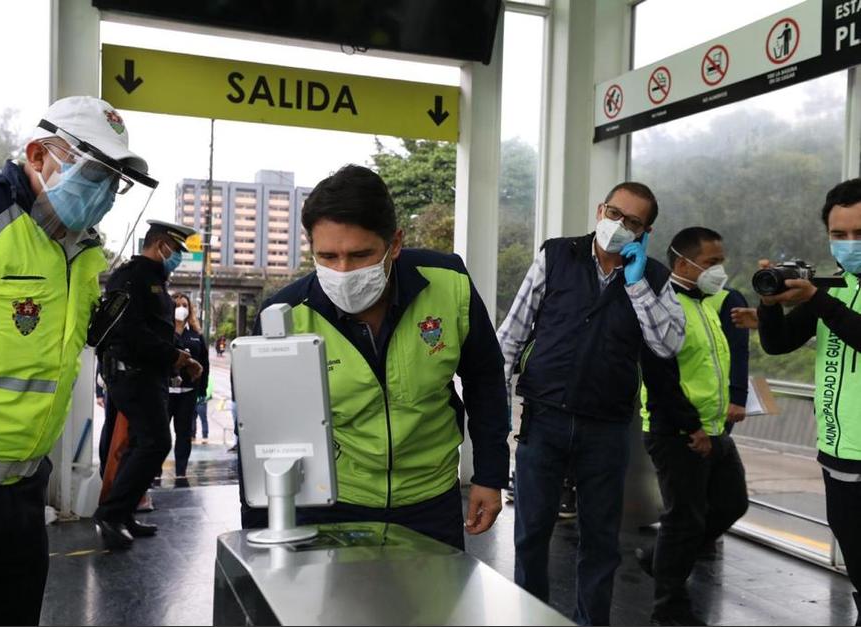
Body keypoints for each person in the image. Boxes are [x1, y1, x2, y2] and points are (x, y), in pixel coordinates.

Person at [0, 96, 154, 624]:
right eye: (93, 171)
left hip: (23, 499)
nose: (104, 191)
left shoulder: (82, 251)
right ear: (37, 154)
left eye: (114, 180)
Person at [240, 164, 509, 550]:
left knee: (437, 592)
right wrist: (256, 536)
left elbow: (485, 377)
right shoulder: (285, 317)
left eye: (360, 254)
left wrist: (490, 474)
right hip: (335, 501)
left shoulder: (449, 284)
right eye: (327, 256)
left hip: (430, 500)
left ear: (394, 244)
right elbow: (261, 433)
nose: (343, 271)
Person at [498, 181, 686, 626]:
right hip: (544, 417)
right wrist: (495, 408)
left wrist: (637, 286)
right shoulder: (556, 256)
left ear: (645, 232)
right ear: (601, 209)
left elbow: (668, 344)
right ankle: (531, 619)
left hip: (607, 426)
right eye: (615, 213)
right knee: (530, 534)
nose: (619, 225)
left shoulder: (654, 277)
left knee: (601, 541)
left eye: (633, 222)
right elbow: (512, 333)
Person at [756, 178, 861, 626]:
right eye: (839, 234)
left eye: (860, 233)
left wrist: (818, 300)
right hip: (836, 452)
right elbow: (778, 343)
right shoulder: (835, 287)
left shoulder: (826, 296)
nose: (849, 243)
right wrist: (769, 304)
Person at [636, 227, 750, 625]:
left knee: (732, 503)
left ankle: (659, 558)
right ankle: (668, 609)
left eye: (721, 261)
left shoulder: (705, 304)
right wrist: (690, 428)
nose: (720, 270)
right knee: (684, 518)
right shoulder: (666, 307)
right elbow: (661, 378)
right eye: (711, 262)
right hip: (678, 431)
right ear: (684, 264)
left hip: (713, 428)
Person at [94, 219, 202, 550]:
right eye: (176, 250)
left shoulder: (153, 280)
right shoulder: (132, 277)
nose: (178, 257)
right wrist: (176, 357)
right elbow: (130, 331)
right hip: (132, 374)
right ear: (161, 246)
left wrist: (178, 357)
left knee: (142, 442)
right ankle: (111, 514)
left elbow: (154, 331)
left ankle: (123, 513)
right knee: (156, 442)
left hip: (147, 375)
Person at [168, 292, 209, 477]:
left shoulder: (196, 335)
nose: (181, 309)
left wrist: (202, 390)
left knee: (184, 433)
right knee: (160, 433)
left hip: (188, 392)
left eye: (185, 305)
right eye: (177, 305)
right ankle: (153, 471)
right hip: (166, 391)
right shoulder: (164, 331)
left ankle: (181, 471)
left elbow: (205, 363)